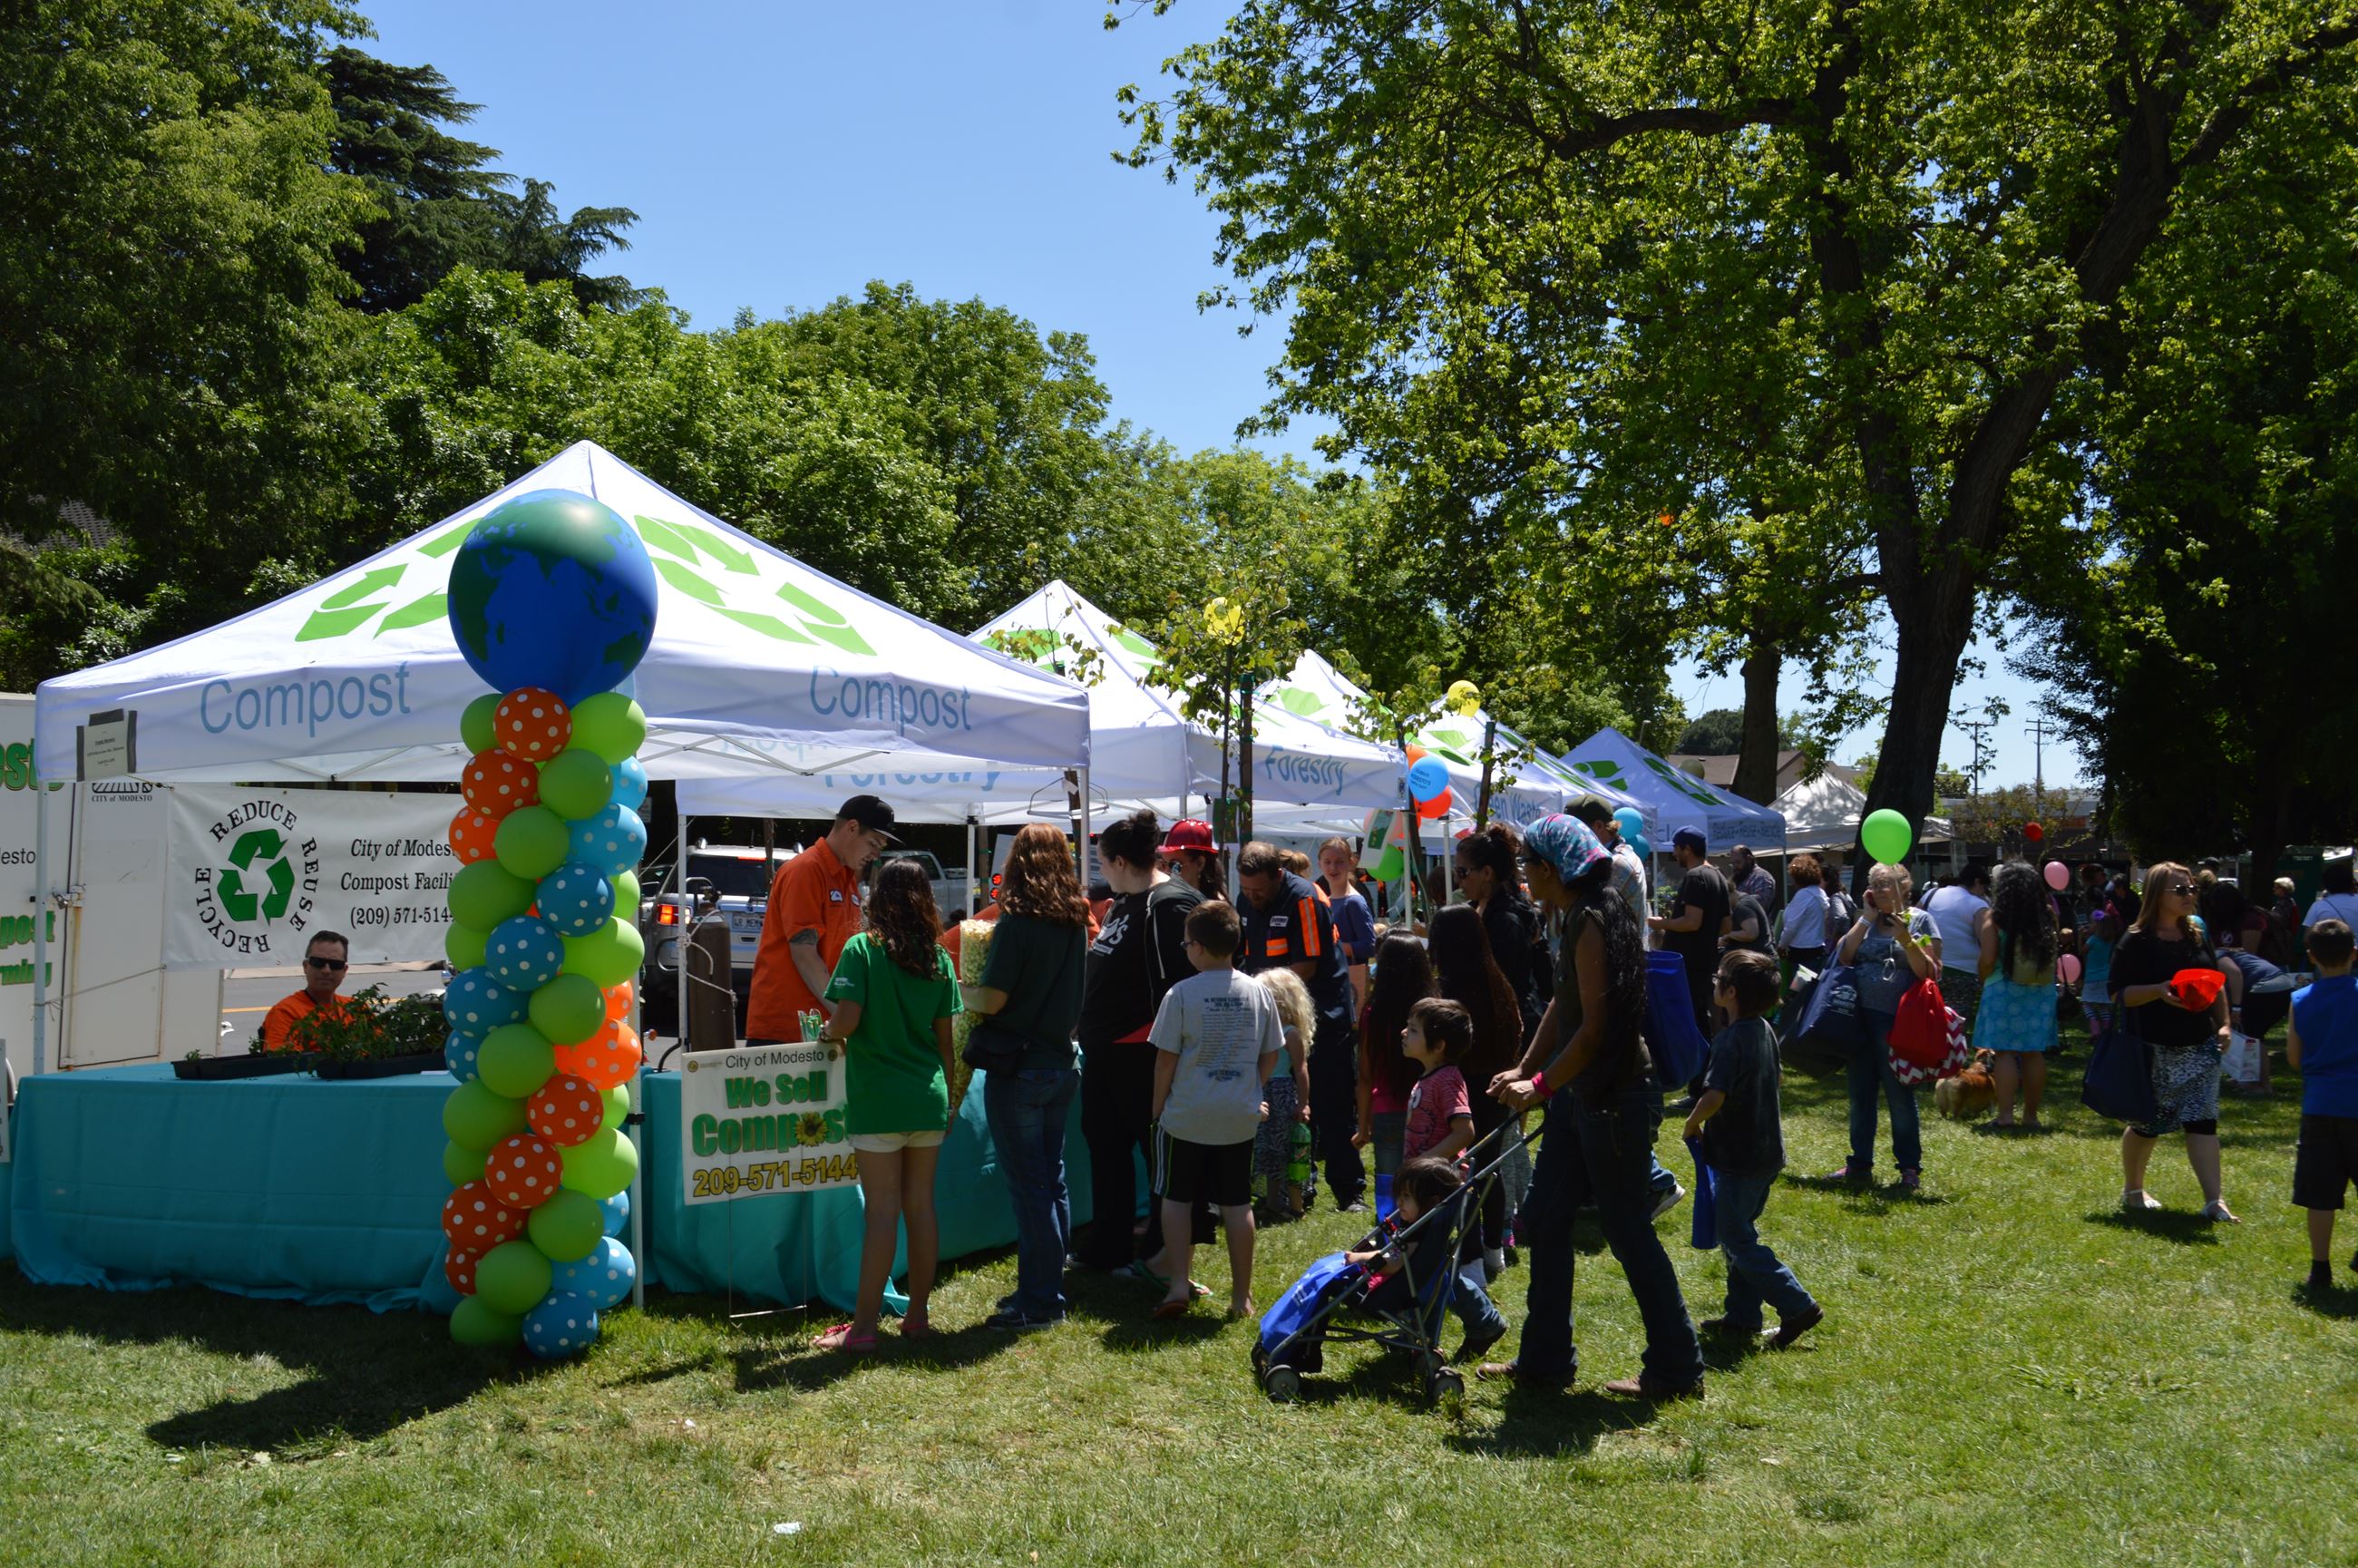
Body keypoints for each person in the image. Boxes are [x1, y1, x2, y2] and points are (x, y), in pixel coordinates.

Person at [1480, 814, 1705, 1400]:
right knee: (1544, 1218)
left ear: (1551, 869)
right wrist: (1526, 1068)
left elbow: (1595, 1031)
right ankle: (1545, 1360)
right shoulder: (1576, 913)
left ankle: (1678, 1368)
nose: (1524, 876)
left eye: (1528, 865)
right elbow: (1564, 1004)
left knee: (1627, 1229)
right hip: (1582, 1094)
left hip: (1614, 1096)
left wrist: (1540, 1086)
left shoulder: (1594, 919)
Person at [811, 860, 960, 1352]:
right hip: (928, 1097)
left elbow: (846, 1021)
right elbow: (946, 1044)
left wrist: (825, 1033)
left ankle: (862, 1330)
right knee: (921, 1207)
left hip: (879, 1100)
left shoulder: (861, 949)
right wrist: (949, 1103)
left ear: (877, 897)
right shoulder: (938, 958)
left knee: (881, 1213)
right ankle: (917, 1317)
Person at [961, 823, 1091, 1330]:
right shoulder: (1075, 919)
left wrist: (962, 989)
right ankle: (1045, 1285)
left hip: (1020, 1068)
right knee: (1050, 1181)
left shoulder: (1017, 923)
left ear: (1017, 862)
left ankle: (1041, 1301)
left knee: (1030, 1187)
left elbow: (993, 1000)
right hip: (1061, 1062)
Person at [1075, 810, 1206, 1272]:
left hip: (1143, 1053)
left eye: (1102, 862)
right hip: (1106, 1051)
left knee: (1157, 1155)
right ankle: (1109, 1246)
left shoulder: (1169, 904)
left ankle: (1161, 1252)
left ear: (1121, 861)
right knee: (1105, 1145)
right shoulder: (1127, 901)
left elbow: (1183, 984)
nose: (1100, 872)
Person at [1147, 900, 1284, 1320]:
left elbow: (1165, 1060)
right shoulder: (1258, 991)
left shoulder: (1181, 993)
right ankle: (1241, 1297)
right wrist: (1252, 1087)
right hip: (1238, 1115)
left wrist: (1156, 1107)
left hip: (1186, 1113)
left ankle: (1177, 1283)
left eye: (1186, 944)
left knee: (1176, 1198)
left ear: (1199, 948)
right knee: (1237, 1203)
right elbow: (1271, 1052)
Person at [1683, 950, 1822, 1349]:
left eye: (1719, 977)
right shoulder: (1763, 1030)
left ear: (1730, 992)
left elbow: (1714, 1095)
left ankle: (1798, 1305)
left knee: (1737, 1240)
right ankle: (1743, 1317)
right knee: (1740, 1232)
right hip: (1766, 1154)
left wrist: (1692, 1123)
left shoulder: (1729, 1041)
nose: (1714, 982)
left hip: (1739, 1158)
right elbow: (1774, 1079)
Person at [1236, 841, 1362, 1211]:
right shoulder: (1246, 898)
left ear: (1278, 875)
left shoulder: (1305, 899)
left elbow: (1305, 967)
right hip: (1271, 1016)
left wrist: (1260, 992)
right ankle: (1289, 1188)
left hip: (1321, 1015)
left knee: (1332, 1104)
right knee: (1282, 1110)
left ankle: (1349, 1189)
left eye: (1259, 890)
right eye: (1245, 889)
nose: (1251, 897)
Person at [2110, 862, 2238, 1222]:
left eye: (2192, 888)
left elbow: (2214, 982)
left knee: (2203, 1122)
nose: (2190, 895)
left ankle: (2214, 1202)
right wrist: (2157, 991)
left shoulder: (2196, 933)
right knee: (2146, 1125)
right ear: (2156, 895)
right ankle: (2133, 1190)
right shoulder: (2135, 940)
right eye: (2180, 890)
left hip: (2199, 1044)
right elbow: (2118, 993)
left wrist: (2224, 1024)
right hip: (2154, 1047)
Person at [1278, 1156, 1481, 1374]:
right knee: (1325, 1277)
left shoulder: (1418, 1234)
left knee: (1327, 1284)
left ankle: (1296, 1348)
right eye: (1399, 1195)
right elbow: (1393, 1254)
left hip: (1386, 1293)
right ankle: (1291, 1341)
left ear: (1431, 1202)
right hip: (1389, 1284)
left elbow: (1393, 1263)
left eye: (1406, 1196)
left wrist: (1359, 1258)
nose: (1399, 1202)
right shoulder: (1415, 1225)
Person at [1397, 998, 1507, 1357]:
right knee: (1424, 1261)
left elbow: (1464, 1132)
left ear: (1439, 1045)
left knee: (1427, 1262)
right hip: (1422, 1186)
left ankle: (1435, 1333)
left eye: (1414, 1030)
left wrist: (1424, 1163)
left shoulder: (1447, 1080)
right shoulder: (1427, 1078)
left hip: (1438, 1189)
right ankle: (1424, 1331)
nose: (1404, 1033)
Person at [747, 795, 897, 1046]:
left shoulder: (846, 878)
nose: (875, 855)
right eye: (873, 844)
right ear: (851, 827)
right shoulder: (805, 870)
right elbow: (804, 954)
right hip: (786, 1031)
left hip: (824, 1027)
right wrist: (846, 1017)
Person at [1427, 903, 1527, 1275]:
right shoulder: (1499, 984)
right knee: (1490, 1168)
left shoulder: (1447, 994)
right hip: (1496, 1086)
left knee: (1461, 1171)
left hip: (1459, 1089)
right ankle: (1493, 1248)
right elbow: (1518, 1030)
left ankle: (1468, 1255)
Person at [1828, 862, 1942, 1189]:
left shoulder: (1920, 921)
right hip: (1860, 1020)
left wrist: (1905, 937)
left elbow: (1929, 972)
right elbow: (1844, 956)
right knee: (1860, 1095)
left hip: (1898, 1023)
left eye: (1885, 884)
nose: (1878, 890)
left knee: (1899, 1096)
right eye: (1874, 885)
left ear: (1904, 887)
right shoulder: (1866, 920)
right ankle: (1859, 1164)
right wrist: (1866, 917)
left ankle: (1909, 1168)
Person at [2288, 920, 2358, 1292]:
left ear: (2311, 956)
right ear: (2354, 954)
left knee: (2320, 1194)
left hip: (2319, 1106)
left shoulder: (2300, 1000)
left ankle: (2320, 1269)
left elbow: (2294, 1059)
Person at [1975, 861, 2061, 1130]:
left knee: (2005, 1053)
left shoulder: (1995, 918)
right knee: (2033, 1053)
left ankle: (2005, 1117)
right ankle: (2031, 1117)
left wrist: (1983, 976)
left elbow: (1988, 959)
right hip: (2040, 990)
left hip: (2003, 988)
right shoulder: (2047, 915)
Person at [1354, 932, 1435, 1185]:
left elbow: (1365, 1075)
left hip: (1387, 1108)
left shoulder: (1374, 1012)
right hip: (1429, 1106)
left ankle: (1390, 1214)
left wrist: (1363, 1125)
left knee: (1390, 1184)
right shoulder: (1433, 1010)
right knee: (1427, 1180)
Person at [1454, 822, 1544, 1034]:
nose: (1457, 880)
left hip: (1511, 1029)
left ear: (1487, 873)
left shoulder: (1507, 922)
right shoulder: (1473, 910)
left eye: (1462, 872)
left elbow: (1494, 985)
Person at [1649, 828, 1730, 1040]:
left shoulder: (1695, 876)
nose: (1674, 853)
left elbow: (1692, 922)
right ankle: (1709, 1055)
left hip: (1688, 964)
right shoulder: (1718, 876)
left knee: (1688, 1020)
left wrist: (1661, 924)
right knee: (1702, 1016)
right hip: (1706, 962)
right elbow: (1726, 926)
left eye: (1676, 848)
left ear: (1687, 849)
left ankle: (1696, 1058)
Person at [1251, 966, 1316, 1220]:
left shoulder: (1290, 1034)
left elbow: (1301, 1069)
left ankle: (1295, 1206)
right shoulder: (1262, 1031)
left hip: (1283, 1095)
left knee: (1290, 1150)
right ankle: (1272, 1202)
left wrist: (1303, 1103)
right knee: (1269, 1150)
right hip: (1263, 1094)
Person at [1570, 795, 1649, 947]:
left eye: (1574, 830)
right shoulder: (1613, 856)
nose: (1569, 837)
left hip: (1617, 957)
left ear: (1599, 826)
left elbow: (1587, 917)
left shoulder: (1616, 863)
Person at [1924, 862, 1992, 1028]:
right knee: (1954, 1026)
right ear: (1977, 882)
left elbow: (1915, 921)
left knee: (1929, 1022)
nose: (1983, 893)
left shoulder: (1931, 894)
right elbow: (1985, 940)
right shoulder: (1978, 905)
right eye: (1983, 888)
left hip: (1928, 969)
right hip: (1963, 974)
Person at [262, 931, 351, 1050]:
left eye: (335, 964)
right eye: (318, 962)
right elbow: (281, 1060)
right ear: (305, 966)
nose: (326, 970)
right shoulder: (285, 1012)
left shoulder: (357, 1009)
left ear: (344, 970)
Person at [1317, 835, 1378, 1005]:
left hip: (1347, 985)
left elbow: (1369, 946)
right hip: (1332, 980)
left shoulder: (1353, 902)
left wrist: (1334, 947)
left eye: (1339, 862)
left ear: (1350, 863)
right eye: (1327, 862)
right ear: (1320, 864)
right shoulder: (1327, 899)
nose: (1333, 868)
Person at [1778, 855, 1831, 976]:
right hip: (1818, 950)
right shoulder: (1820, 892)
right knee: (1813, 986)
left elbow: (1791, 928)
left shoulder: (1803, 895)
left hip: (1803, 956)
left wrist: (1781, 946)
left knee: (1801, 987)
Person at [1158, 817, 1226, 901]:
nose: (1167, 872)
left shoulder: (1215, 906)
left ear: (1200, 864)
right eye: (1163, 865)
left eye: (1175, 866)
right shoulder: (1164, 899)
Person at [2304, 863, 2358, 940]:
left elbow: (2308, 937)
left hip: (2328, 947)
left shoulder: (2318, 906)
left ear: (2325, 884)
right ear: (2351, 882)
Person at [1730, 844, 1779, 915]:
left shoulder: (1761, 877)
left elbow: (1760, 904)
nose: (1735, 867)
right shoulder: (1740, 877)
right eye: (1732, 864)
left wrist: (1734, 900)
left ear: (1748, 859)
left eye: (1738, 862)